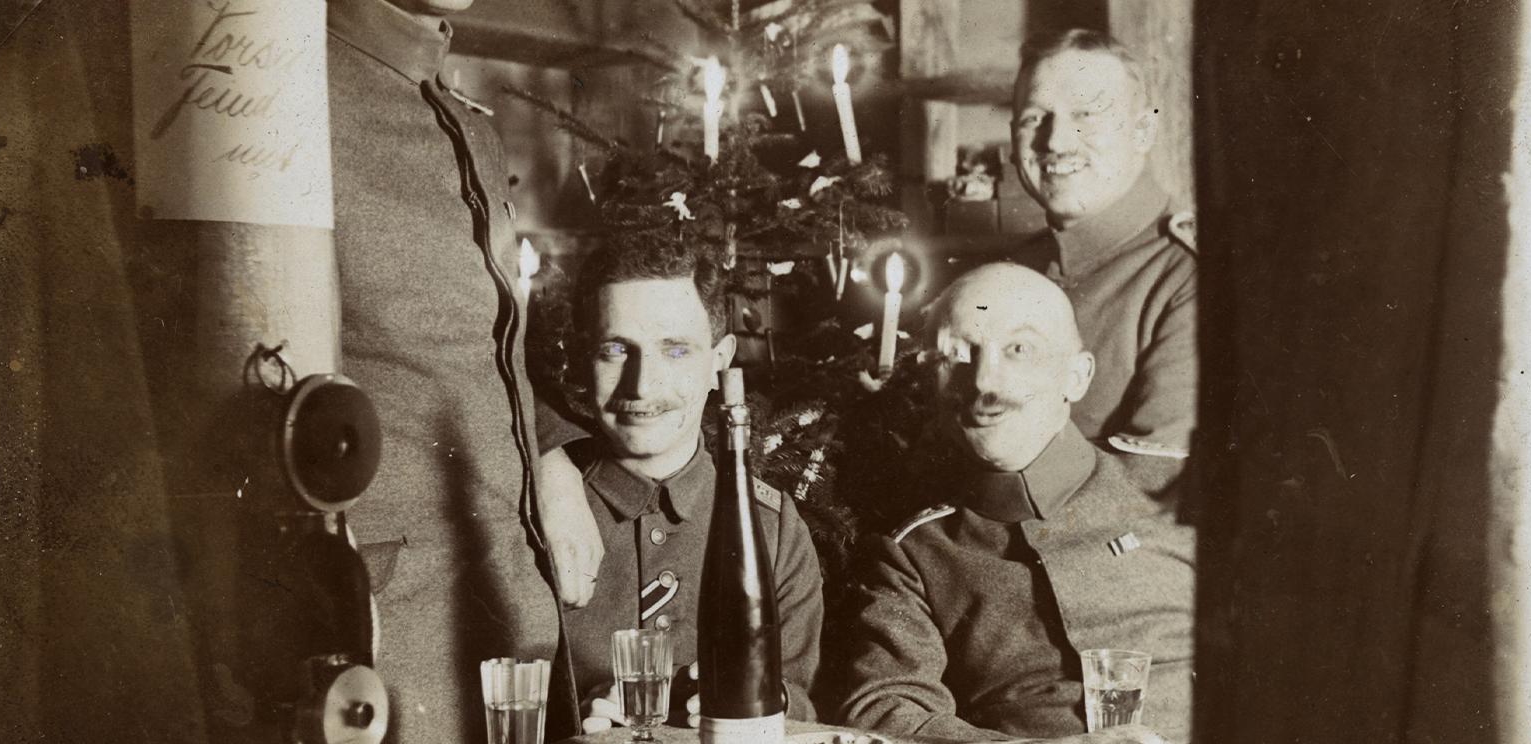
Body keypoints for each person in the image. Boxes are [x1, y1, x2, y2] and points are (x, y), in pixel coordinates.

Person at [326, 0, 578, 739]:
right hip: (388, 623)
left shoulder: (465, 117)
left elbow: (482, 347)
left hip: (508, 591)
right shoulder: (289, 94)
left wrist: (552, 452)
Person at [834, 264, 1196, 742]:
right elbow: (886, 710)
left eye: (1018, 350)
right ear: (928, 382)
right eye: (958, 354)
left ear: (1077, 376)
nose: (985, 382)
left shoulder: (1182, 491)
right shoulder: (915, 555)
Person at [551, 237, 826, 733]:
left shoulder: (774, 527)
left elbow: (801, 696)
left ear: (720, 360)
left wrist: (769, 699)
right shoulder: (549, 513)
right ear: (581, 358)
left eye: (675, 350)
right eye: (616, 350)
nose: (642, 385)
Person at [1004, 28, 1198, 492]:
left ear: (1143, 130)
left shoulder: (1189, 278)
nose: (1055, 142)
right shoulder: (1014, 273)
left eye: (1087, 115)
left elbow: (1155, 489)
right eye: (1034, 118)